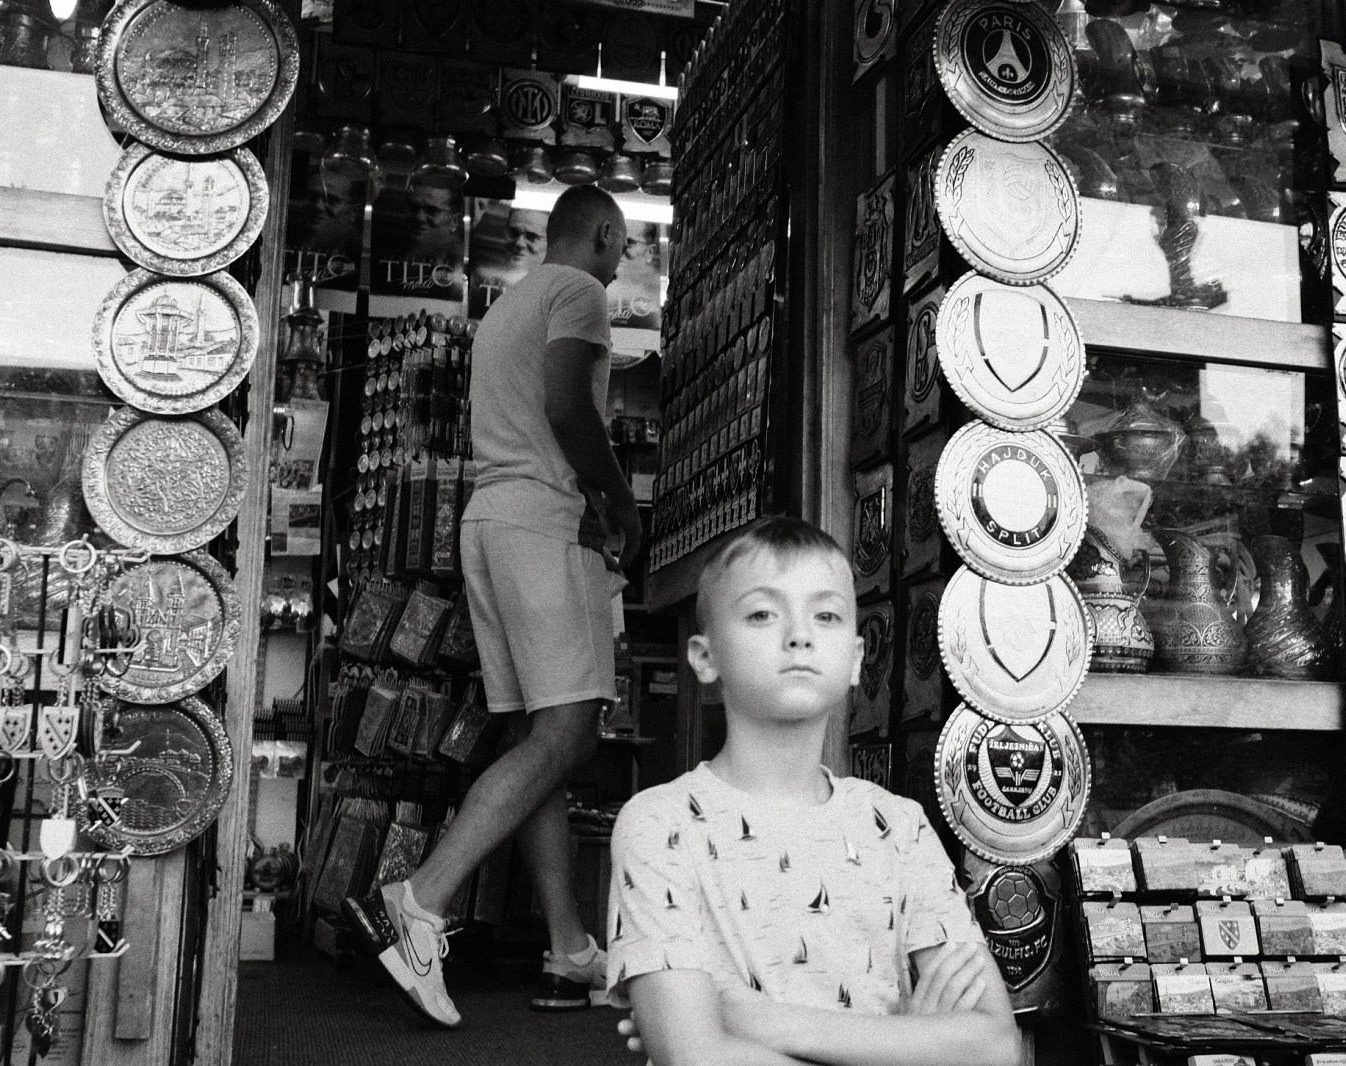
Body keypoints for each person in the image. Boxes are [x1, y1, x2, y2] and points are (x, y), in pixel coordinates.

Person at [346, 185, 643, 1026]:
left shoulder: (508, 304)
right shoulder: (578, 293)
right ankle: (423, 898)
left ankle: (569, 947)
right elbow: (567, 407)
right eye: (621, 246)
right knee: (569, 732)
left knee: (534, 736)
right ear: (604, 232)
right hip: (544, 521)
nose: (619, 263)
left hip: (489, 520)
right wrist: (620, 502)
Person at [604, 516, 1022, 1066]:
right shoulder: (660, 824)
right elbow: (694, 1055)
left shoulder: (898, 825)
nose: (799, 635)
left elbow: (995, 1046)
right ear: (705, 657)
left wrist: (755, 1020)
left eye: (825, 615)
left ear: (855, 659)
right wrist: (913, 1047)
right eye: (762, 614)